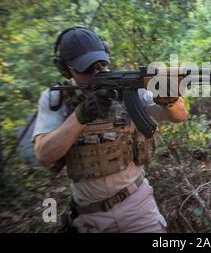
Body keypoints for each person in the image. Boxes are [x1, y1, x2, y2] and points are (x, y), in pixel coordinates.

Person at [33, 27, 189, 232]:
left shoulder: (129, 85)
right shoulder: (56, 99)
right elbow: (44, 155)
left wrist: (169, 99)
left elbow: (180, 116)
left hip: (137, 206)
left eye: (101, 63)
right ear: (65, 69)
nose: (98, 71)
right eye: (86, 68)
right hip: (89, 216)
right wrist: (81, 115)